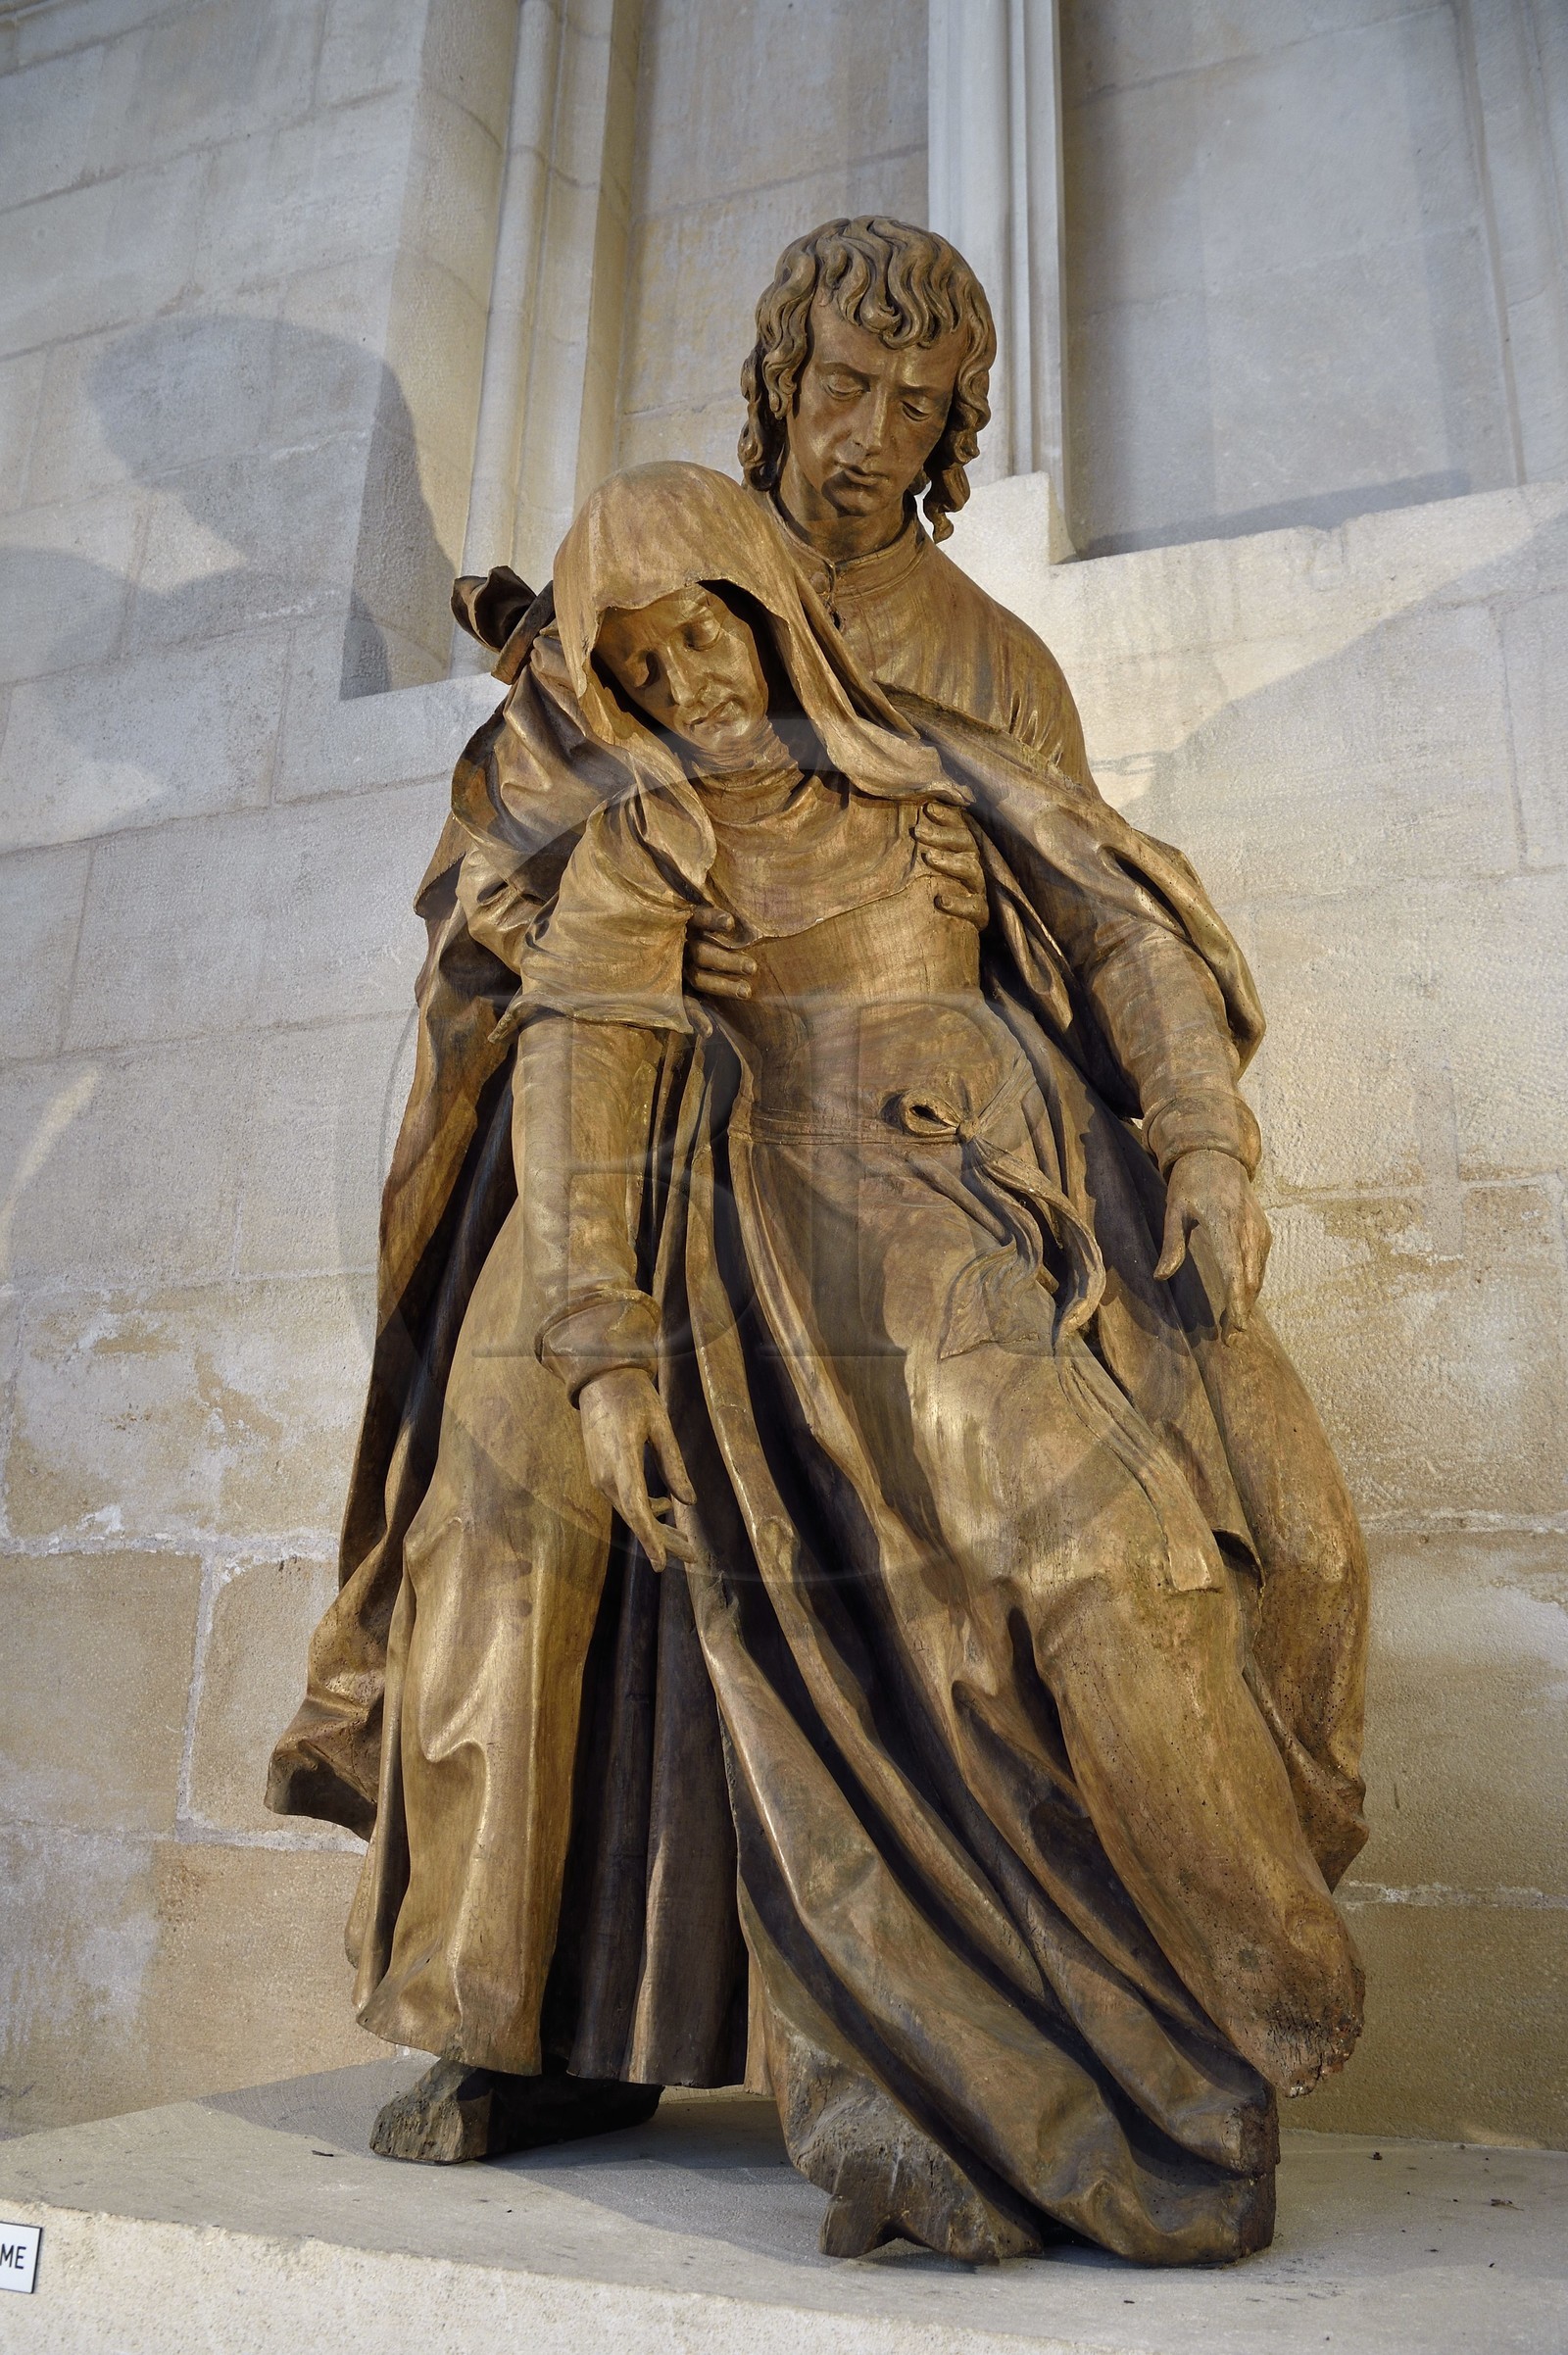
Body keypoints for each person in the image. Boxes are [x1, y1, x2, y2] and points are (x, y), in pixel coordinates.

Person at [267, 223, 1369, 2257]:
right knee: (510, 1496)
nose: (865, 438)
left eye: (913, 409)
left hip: (894, 1138)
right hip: (634, 1125)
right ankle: (520, 2022)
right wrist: (593, 879)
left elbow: (1084, 906)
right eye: (839, 387)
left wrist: (1182, 1130)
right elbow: (506, 892)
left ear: (952, 435)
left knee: (1080, 1507)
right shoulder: (644, 570)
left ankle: (1035, 2025)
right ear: (777, 378)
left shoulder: (987, 665)